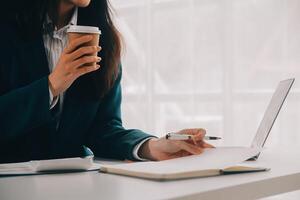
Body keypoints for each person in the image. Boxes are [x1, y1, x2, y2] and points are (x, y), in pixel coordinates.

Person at [0, 0, 213, 163]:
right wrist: (51, 86)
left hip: (75, 187)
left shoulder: (103, 39)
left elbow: (103, 128)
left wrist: (153, 146)